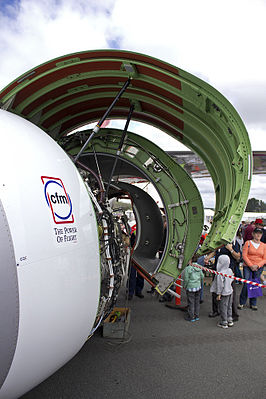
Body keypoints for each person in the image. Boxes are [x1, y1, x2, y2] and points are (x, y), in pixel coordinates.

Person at [205, 241, 240, 321]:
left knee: (230, 293)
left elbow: (238, 257)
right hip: (217, 270)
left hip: (229, 271)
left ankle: (232, 314)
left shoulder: (234, 242)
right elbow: (215, 251)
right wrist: (208, 257)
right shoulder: (219, 241)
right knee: (215, 290)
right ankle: (215, 310)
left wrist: (231, 249)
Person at [238, 227, 266, 310]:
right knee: (246, 283)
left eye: (260, 233)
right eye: (256, 233)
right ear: (253, 234)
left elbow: (264, 259)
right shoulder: (248, 243)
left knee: (255, 284)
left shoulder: (264, 245)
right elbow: (244, 255)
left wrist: (257, 265)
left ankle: (253, 303)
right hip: (247, 266)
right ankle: (242, 302)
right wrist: (250, 265)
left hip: (258, 267)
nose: (258, 235)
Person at [210, 255, 234, 329]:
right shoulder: (229, 270)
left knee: (223, 307)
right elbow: (232, 278)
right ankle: (230, 319)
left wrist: (219, 294)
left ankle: (224, 322)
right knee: (229, 306)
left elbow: (220, 285)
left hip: (223, 293)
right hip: (230, 291)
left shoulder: (220, 273)